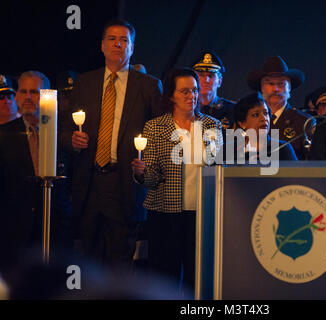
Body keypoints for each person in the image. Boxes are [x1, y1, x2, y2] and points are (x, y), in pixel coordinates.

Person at [69, 19, 162, 270]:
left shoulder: (149, 86)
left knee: (119, 265)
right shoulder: (84, 82)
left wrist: (146, 165)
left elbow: (158, 134)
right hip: (88, 183)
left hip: (124, 184)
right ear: (102, 46)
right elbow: (66, 128)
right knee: (87, 261)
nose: (118, 44)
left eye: (124, 40)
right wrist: (72, 140)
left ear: (131, 48)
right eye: (112, 39)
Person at [131, 68, 222, 296]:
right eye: (184, 91)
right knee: (164, 279)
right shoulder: (155, 127)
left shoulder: (212, 126)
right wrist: (141, 173)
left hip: (202, 216)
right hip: (165, 214)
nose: (191, 95)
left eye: (194, 90)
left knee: (199, 278)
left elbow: (219, 170)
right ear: (171, 95)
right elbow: (151, 179)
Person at [0, 71, 71, 270]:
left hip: (55, 229)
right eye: (23, 91)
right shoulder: (4, 135)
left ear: (47, 96)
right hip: (16, 233)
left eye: (34, 91)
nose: (28, 97)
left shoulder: (62, 135)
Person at [247, 56, 311, 160]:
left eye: (281, 84)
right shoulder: (249, 120)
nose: (275, 89)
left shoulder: (304, 122)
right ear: (261, 87)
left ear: (289, 87)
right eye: (270, 83)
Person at [232, 92, 297, 162]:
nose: (264, 118)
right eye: (256, 115)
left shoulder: (282, 148)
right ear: (242, 123)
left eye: (265, 113)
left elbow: (296, 172)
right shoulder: (230, 149)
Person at [192, 51, 235, 129]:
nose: (206, 80)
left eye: (211, 76)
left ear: (219, 81)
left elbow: (234, 140)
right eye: (201, 75)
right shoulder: (187, 110)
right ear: (194, 79)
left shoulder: (232, 111)